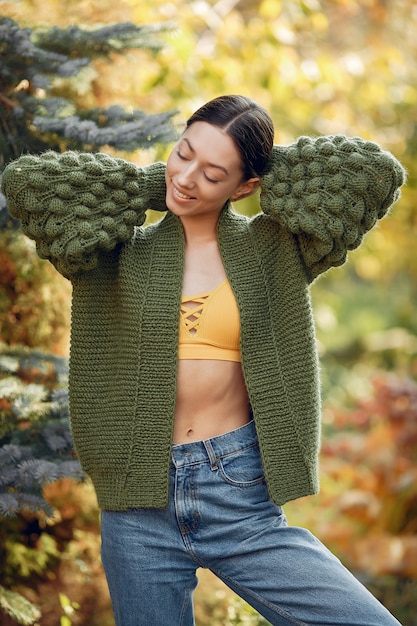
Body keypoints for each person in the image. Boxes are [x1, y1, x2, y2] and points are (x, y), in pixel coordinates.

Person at [2, 95, 406, 626]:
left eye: (213, 173)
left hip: (237, 490)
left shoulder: (275, 248)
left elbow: (375, 173)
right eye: (183, 152)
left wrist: (263, 165)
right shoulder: (113, 250)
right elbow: (28, 181)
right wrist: (159, 185)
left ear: (245, 187)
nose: (187, 177)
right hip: (137, 503)